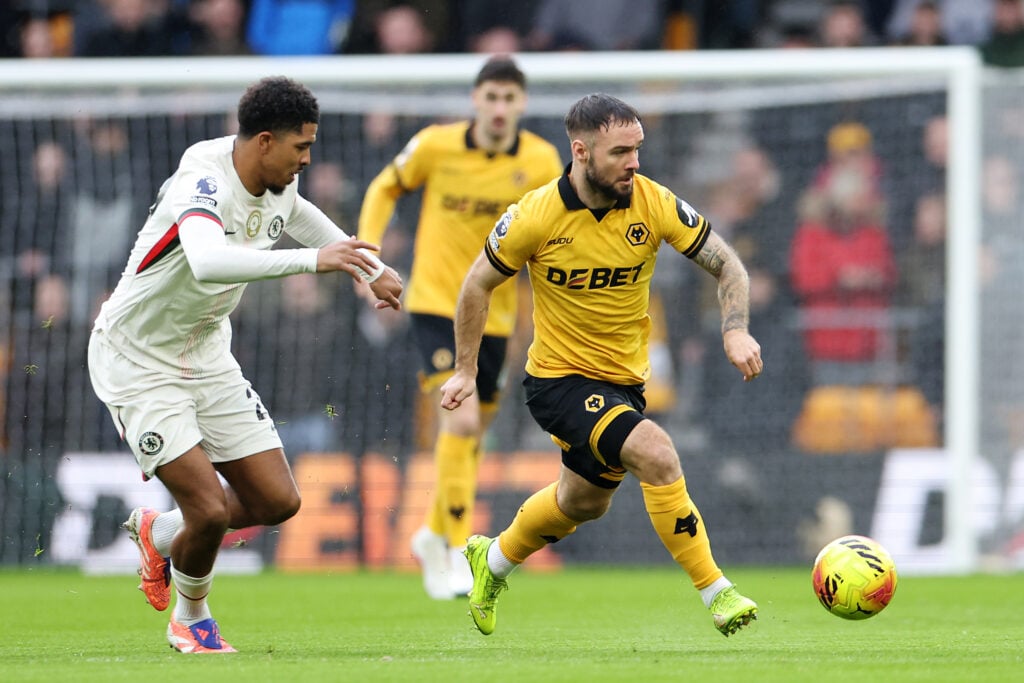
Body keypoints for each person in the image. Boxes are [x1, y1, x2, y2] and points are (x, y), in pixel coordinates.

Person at [87, 76, 403, 654]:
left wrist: (367, 269)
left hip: (206, 351)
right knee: (206, 510)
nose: (307, 158)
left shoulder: (281, 181)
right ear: (263, 141)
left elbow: (298, 214)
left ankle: (158, 535)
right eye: (299, 147)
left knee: (277, 502)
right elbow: (207, 262)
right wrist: (316, 263)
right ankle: (191, 619)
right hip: (137, 357)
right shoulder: (202, 179)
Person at [439, 93, 760, 637]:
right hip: (558, 382)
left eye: (638, 149)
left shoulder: (653, 203)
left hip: (623, 384)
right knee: (655, 452)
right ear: (581, 151)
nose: (634, 162)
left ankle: (490, 561)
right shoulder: (535, 215)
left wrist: (735, 330)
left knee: (582, 503)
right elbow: (477, 285)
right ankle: (717, 591)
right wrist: (467, 370)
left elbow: (727, 263)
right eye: (620, 152)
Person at [357, 55, 562, 600]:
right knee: (464, 423)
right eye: (490, 97)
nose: (499, 109)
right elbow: (384, 187)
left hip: (495, 319)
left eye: (509, 99)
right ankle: (451, 549)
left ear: (522, 104)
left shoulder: (542, 162)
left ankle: (432, 534)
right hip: (434, 305)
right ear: (476, 100)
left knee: (470, 439)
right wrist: (368, 252)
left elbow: (556, 228)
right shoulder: (434, 145)